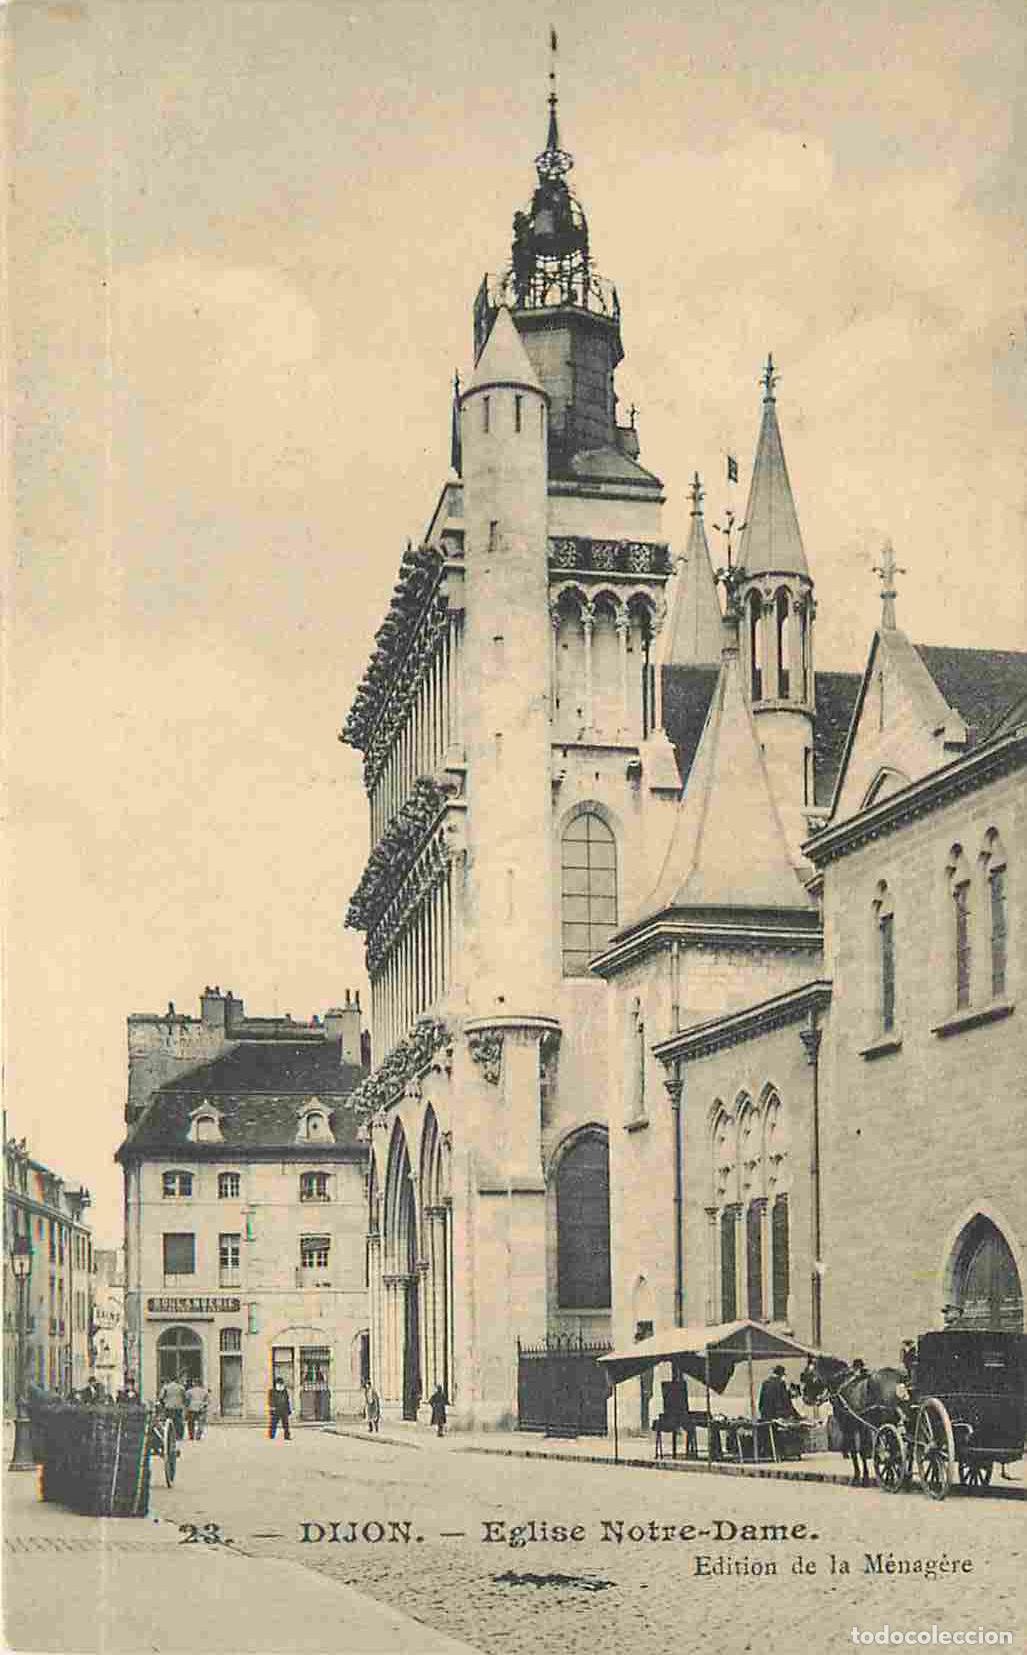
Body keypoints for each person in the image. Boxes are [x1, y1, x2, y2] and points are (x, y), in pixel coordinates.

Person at [158, 1375, 187, 1440]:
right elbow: (185, 1397)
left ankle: (169, 1435)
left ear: (170, 1380)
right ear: (177, 1380)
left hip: (168, 1407)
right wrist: (183, 1404)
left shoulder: (165, 1387)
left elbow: (161, 1397)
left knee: (168, 1421)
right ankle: (179, 1436)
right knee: (179, 1421)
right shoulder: (181, 1387)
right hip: (178, 1407)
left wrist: (163, 1404)